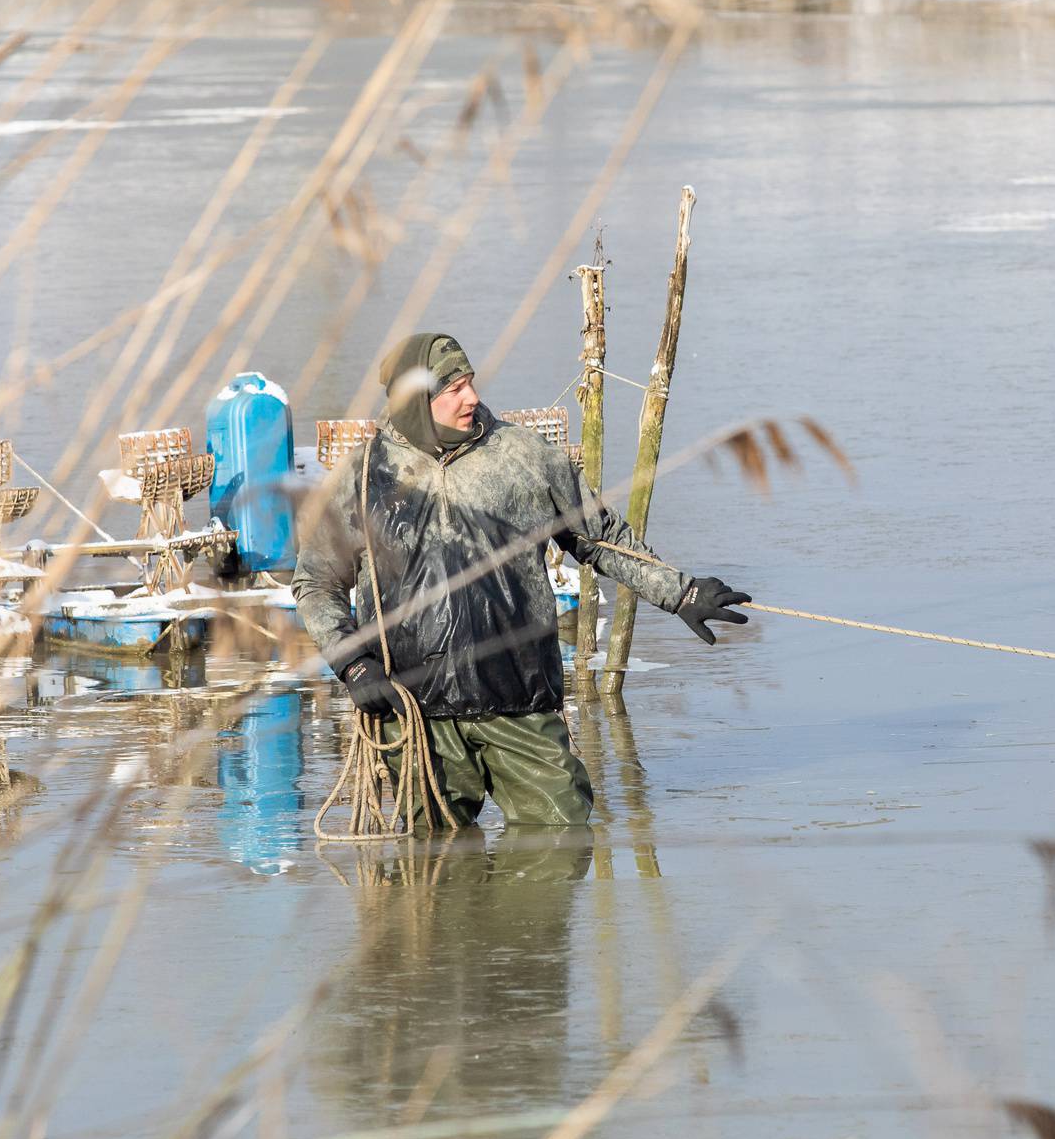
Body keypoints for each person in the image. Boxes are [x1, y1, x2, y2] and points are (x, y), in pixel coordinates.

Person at [293, 332, 750, 827]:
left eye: (470, 383)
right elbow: (316, 583)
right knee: (433, 869)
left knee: (564, 841)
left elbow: (600, 538)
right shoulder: (363, 475)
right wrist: (354, 665)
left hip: (521, 702)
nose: (471, 397)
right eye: (453, 389)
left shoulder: (525, 456)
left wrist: (679, 592)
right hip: (415, 714)